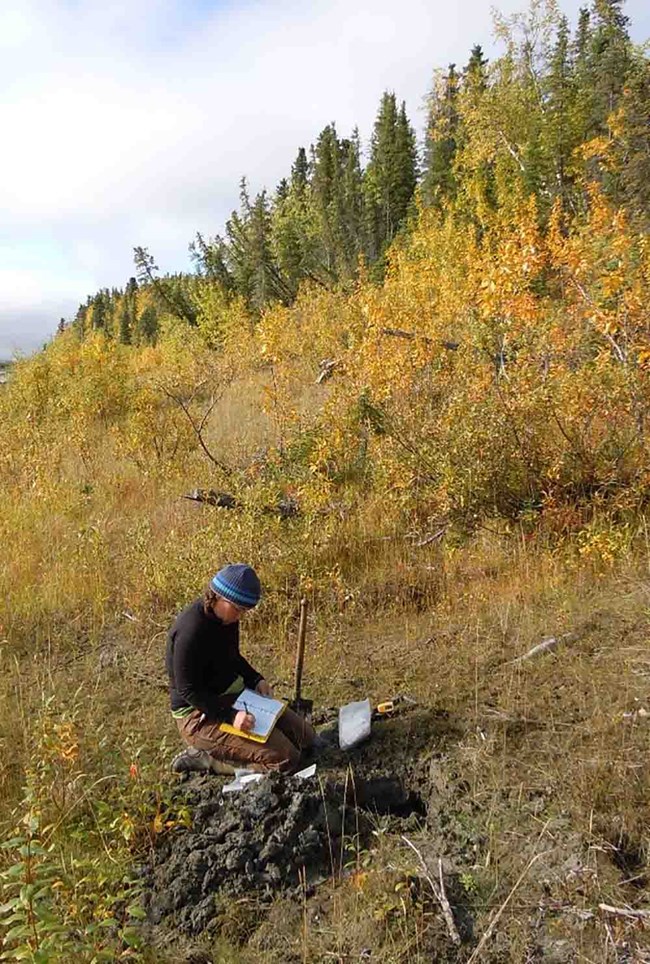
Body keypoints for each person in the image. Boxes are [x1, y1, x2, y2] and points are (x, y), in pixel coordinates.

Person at [166, 563, 316, 774]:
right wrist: (230, 716)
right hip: (198, 715)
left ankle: (237, 745)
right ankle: (208, 760)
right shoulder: (190, 632)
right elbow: (188, 690)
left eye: (245, 611)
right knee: (286, 760)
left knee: (306, 737)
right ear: (218, 597)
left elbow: (232, 657)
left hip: (232, 698)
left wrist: (255, 679)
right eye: (238, 609)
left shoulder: (227, 619)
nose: (240, 616)